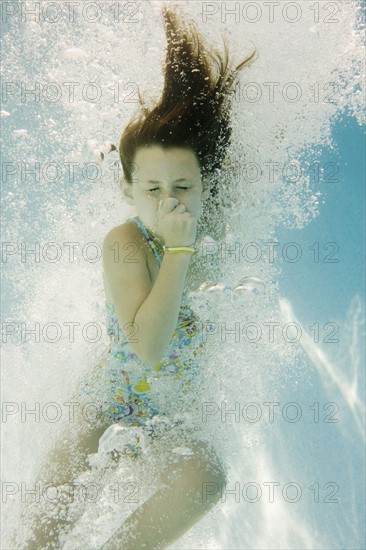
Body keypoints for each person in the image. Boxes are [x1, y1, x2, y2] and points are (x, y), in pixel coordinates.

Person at [18, 4, 256, 549]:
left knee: (208, 477)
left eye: (184, 187)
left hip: (172, 414)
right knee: (39, 540)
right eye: (152, 190)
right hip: (108, 403)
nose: (169, 201)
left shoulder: (213, 224)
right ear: (128, 191)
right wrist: (178, 251)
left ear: (204, 186)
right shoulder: (126, 243)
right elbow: (147, 345)